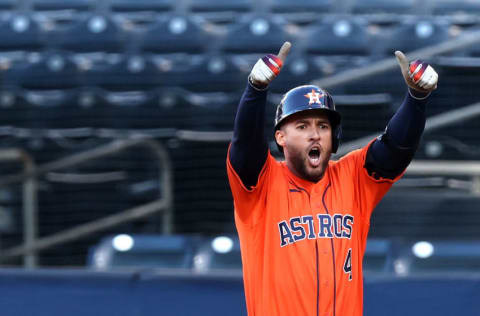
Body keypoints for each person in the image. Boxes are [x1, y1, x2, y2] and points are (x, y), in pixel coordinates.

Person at [226, 41, 438, 316]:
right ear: (281, 137)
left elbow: (395, 147)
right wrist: (255, 91)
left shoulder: (353, 178)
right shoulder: (261, 184)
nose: (315, 134)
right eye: (302, 126)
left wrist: (417, 100)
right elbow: (245, 145)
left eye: (323, 126)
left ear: (333, 137)